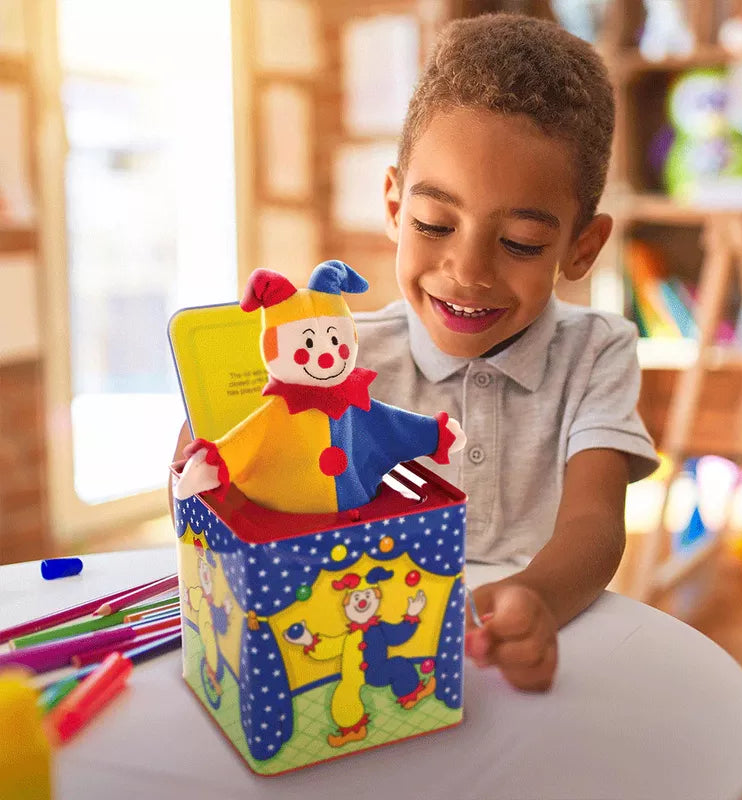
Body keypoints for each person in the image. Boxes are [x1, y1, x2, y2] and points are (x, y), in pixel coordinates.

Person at [172, 13, 658, 694]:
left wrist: (537, 599)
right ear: (396, 207)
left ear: (582, 245)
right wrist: (211, 450)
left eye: (519, 241)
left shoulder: (598, 351)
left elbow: (596, 523)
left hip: (517, 655)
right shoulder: (338, 364)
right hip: (358, 653)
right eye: (435, 225)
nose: (467, 271)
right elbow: (253, 479)